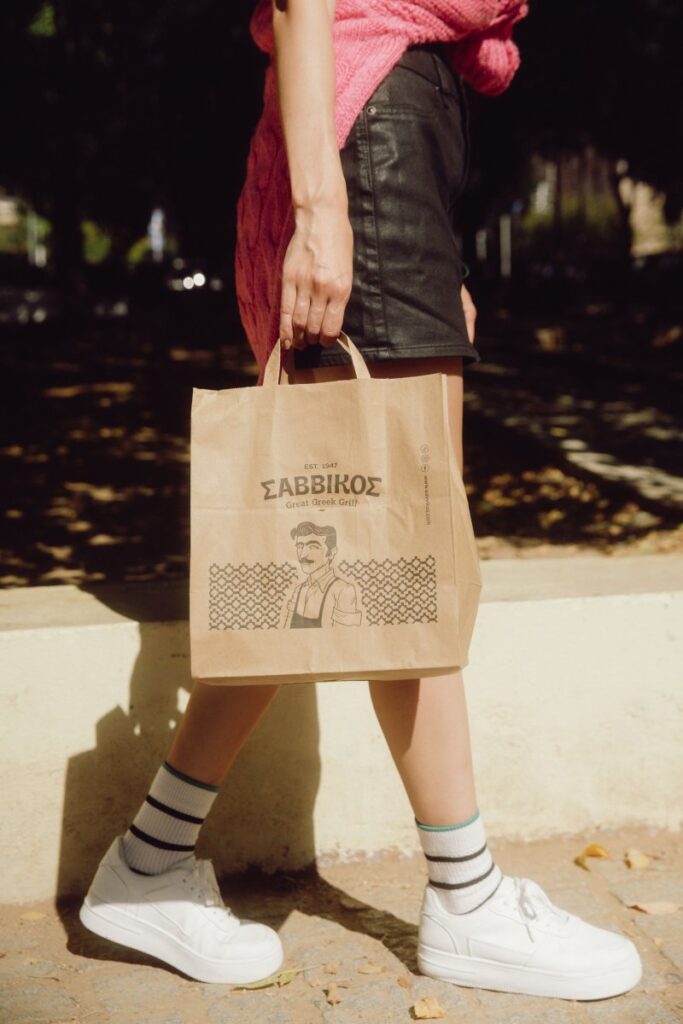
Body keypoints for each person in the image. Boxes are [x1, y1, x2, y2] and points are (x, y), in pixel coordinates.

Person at [79, 0, 643, 1000]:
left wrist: (421, 237)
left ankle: (149, 860)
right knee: (404, 549)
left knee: (367, 551)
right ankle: (465, 896)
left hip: (391, 141)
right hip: (364, 143)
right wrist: (326, 212)